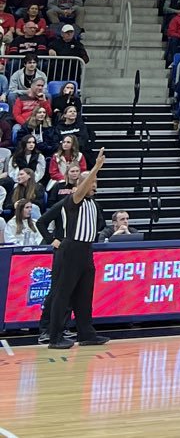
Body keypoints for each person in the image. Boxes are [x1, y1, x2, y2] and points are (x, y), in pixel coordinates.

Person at [35, 148, 108, 349]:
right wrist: (95, 168)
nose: (94, 185)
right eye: (91, 182)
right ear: (81, 184)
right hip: (70, 249)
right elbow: (42, 221)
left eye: (96, 182)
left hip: (86, 250)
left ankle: (86, 334)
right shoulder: (72, 200)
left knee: (84, 294)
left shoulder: (93, 204)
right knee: (62, 294)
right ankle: (55, 336)